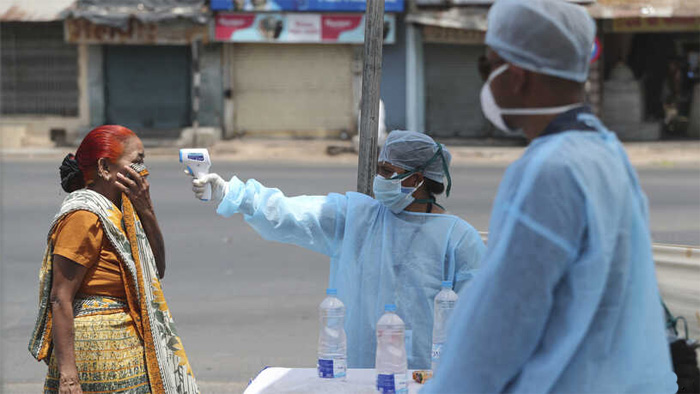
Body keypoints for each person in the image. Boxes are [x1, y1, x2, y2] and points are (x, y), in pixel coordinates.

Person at [423, 0, 678, 392]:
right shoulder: (606, 151)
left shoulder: (550, 170)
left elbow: (500, 322)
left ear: (518, 77)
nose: (486, 80)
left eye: (488, 66)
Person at [189, 130, 485, 369]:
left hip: (428, 378)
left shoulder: (458, 239)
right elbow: (293, 212)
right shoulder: (357, 217)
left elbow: (481, 318)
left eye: (387, 170)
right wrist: (231, 192)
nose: (379, 178)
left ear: (416, 179)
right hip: (356, 373)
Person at [28, 126, 198, 394]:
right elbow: (60, 297)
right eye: (136, 162)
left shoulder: (124, 212)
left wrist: (147, 209)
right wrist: (69, 377)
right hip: (94, 353)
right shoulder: (83, 216)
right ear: (105, 167)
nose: (144, 171)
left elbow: (157, 268)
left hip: (124, 348)